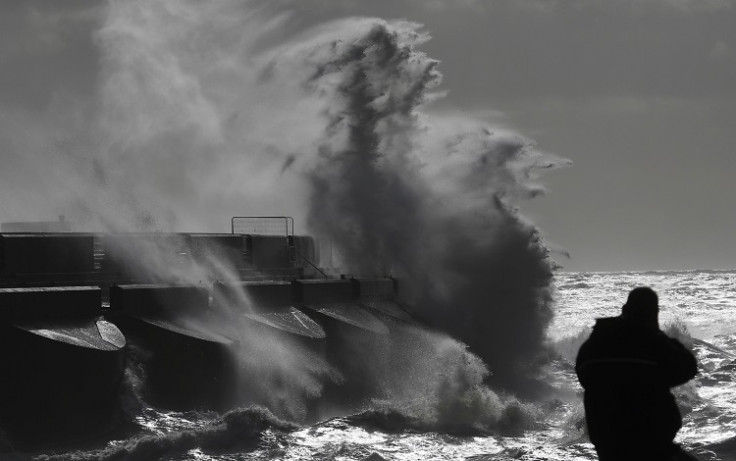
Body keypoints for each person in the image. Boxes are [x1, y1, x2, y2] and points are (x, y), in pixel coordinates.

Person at [576, 287, 698, 461]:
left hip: (608, 447)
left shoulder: (593, 344)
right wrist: (657, 333)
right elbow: (687, 368)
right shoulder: (652, 343)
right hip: (649, 445)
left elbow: (584, 378)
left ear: (625, 310)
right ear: (652, 314)